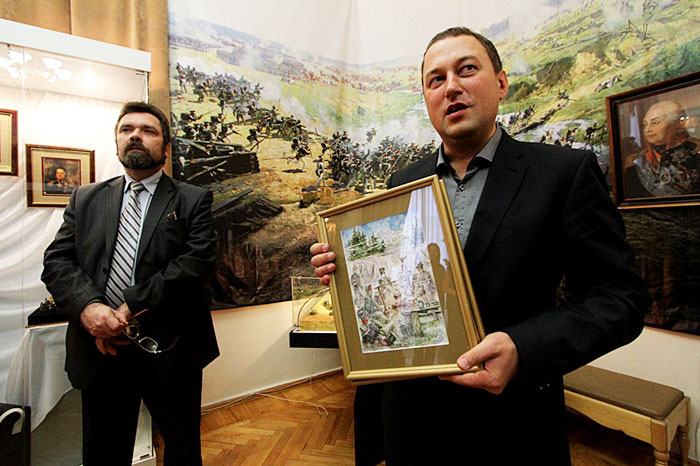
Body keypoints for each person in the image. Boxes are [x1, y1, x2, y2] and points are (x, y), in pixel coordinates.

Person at [310, 27, 648, 465]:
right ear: (427, 98)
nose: (451, 87)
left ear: (501, 83)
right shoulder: (402, 183)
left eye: (466, 69)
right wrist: (346, 269)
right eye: (436, 79)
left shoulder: (563, 173)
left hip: (512, 429)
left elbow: (620, 298)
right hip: (411, 426)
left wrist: (523, 347)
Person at [42, 102, 219, 466]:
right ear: (117, 142)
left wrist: (127, 307)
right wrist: (90, 309)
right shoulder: (86, 198)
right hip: (100, 350)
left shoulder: (192, 199)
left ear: (165, 148)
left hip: (170, 350)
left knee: (183, 451)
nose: (135, 135)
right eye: (127, 130)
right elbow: (57, 261)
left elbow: (194, 264)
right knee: (103, 453)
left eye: (148, 130)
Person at [625, 100, 700, 198]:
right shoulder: (636, 161)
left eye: (655, 123)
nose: (647, 129)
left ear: (677, 124)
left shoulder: (696, 151)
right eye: (645, 124)